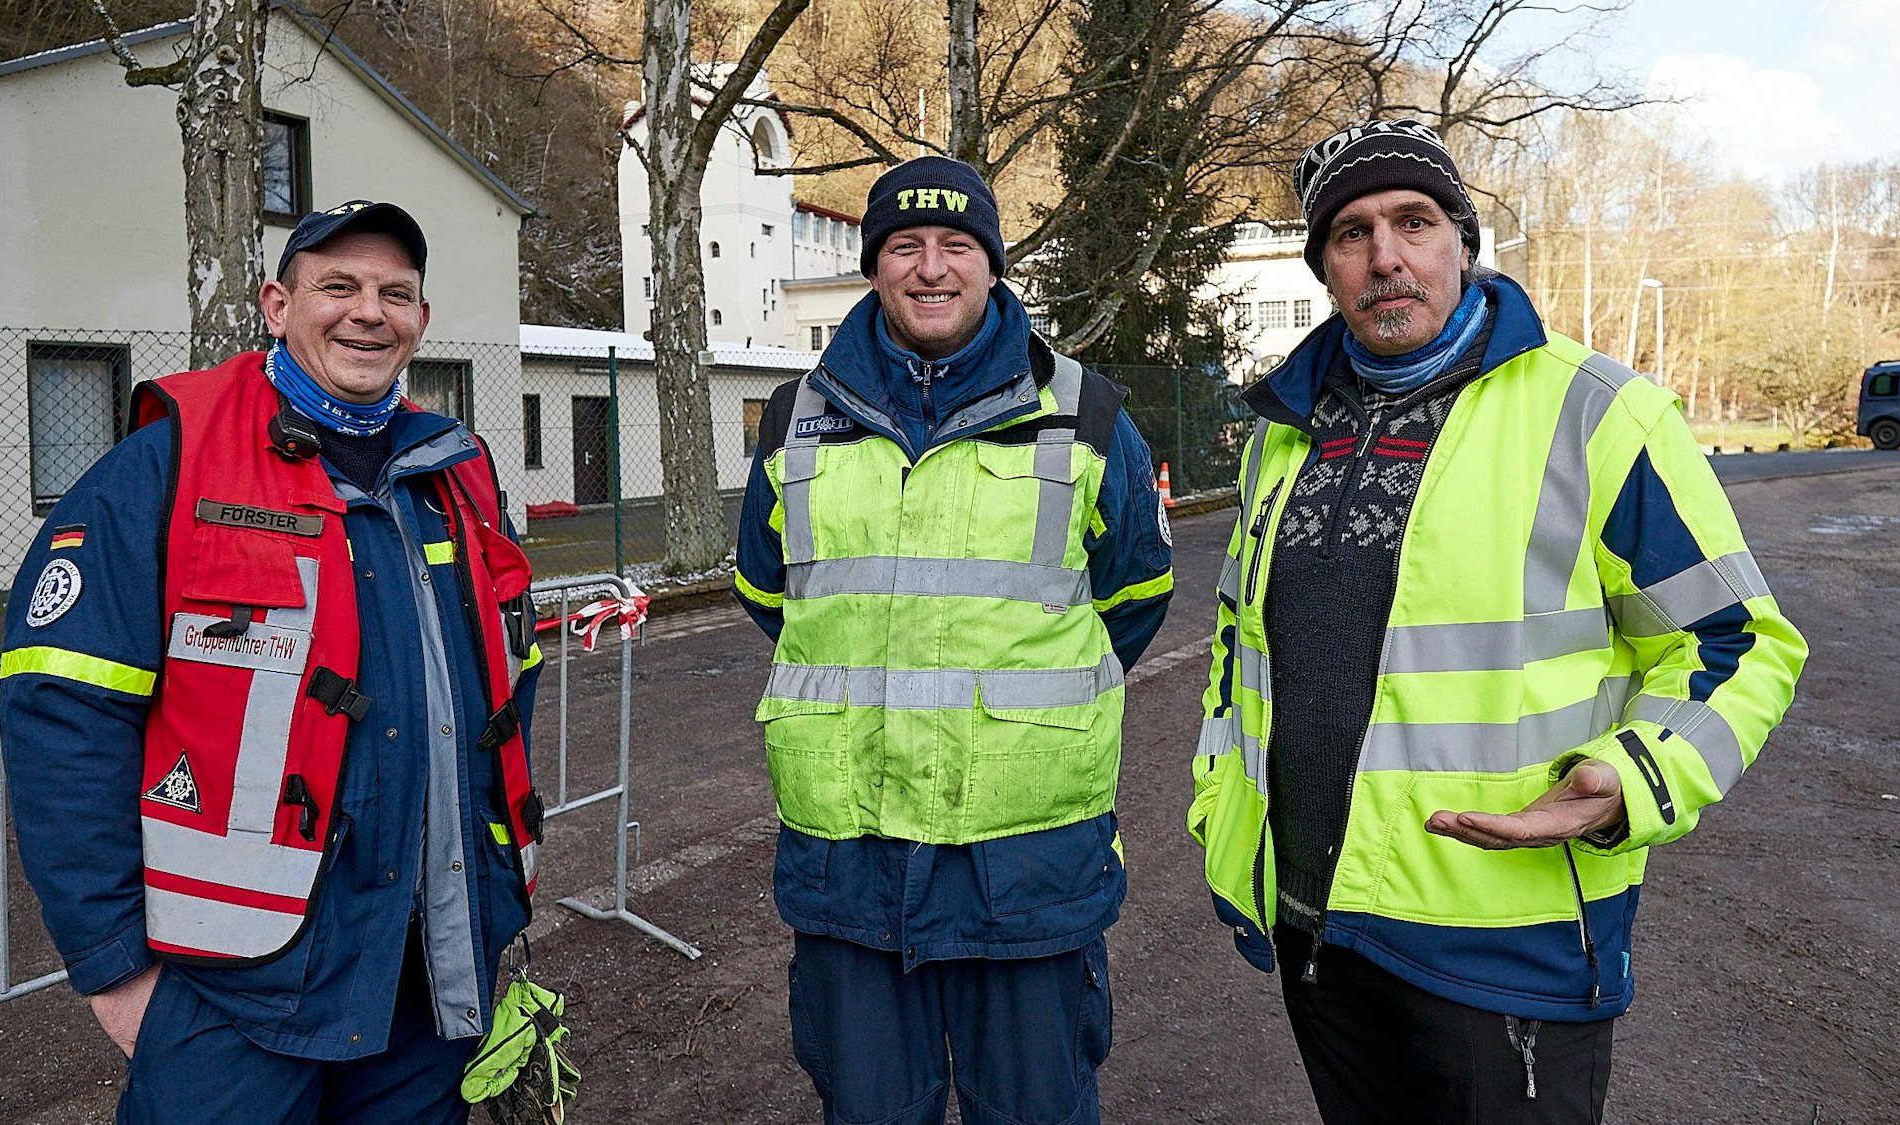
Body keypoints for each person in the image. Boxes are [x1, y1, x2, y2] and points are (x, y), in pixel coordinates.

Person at [1189, 120, 1807, 1124]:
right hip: (1318, 923)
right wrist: (1221, 799)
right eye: (1349, 233)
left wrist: (1634, 777)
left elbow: (1734, 643)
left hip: (1502, 937)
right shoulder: (1280, 432)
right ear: (1324, 268)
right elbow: (1235, 642)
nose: (1384, 255)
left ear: (1461, 244)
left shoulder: (1597, 412)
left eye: (1413, 221)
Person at [0, 200, 545, 1125]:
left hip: (423, 971)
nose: (368, 312)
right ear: (275, 305)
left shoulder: (457, 471)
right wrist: (115, 972)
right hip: (231, 997)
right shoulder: (166, 466)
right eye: (338, 287)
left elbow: (503, 684)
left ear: (420, 319)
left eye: (395, 293)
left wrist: (494, 893)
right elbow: (65, 715)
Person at [733, 156, 1174, 1125]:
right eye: (904, 246)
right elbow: (770, 599)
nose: (930, 268)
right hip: (850, 872)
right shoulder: (792, 421)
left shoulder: (1087, 417)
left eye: (956, 246)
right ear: (873, 265)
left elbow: (1135, 596)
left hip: (1024, 872)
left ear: (991, 265)